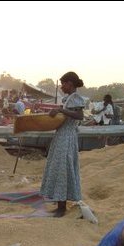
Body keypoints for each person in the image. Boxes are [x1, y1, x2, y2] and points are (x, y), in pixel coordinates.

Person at [40, 71, 84, 217]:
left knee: (63, 170)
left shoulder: (76, 98)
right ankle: (60, 205)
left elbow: (79, 115)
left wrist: (60, 109)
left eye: (63, 84)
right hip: (62, 137)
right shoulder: (69, 99)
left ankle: (62, 208)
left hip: (67, 138)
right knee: (59, 169)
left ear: (70, 84)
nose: (62, 87)